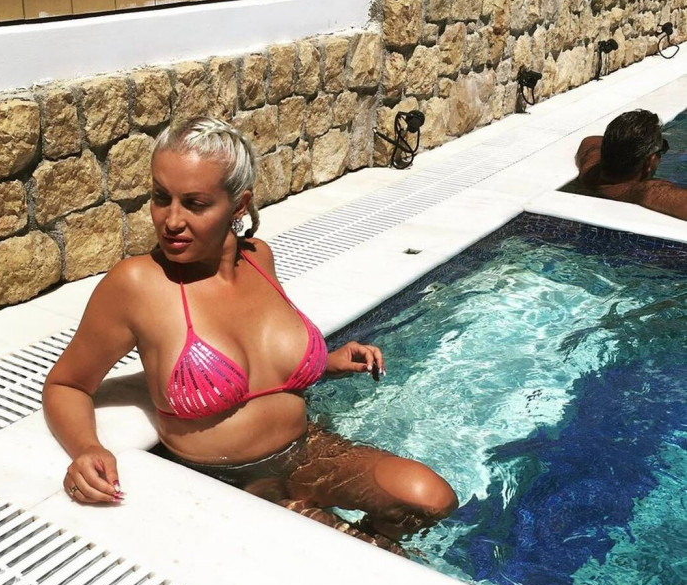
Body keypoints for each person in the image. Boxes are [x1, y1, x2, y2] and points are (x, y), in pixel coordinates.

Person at [43, 117, 458, 556]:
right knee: (371, 559)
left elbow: (263, 366)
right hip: (229, 481)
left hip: (308, 451)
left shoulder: (260, 258)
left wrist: (328, 362)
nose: (171, 220)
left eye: (195, 203)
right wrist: (86, 448)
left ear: (238, 205)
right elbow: (66, 384)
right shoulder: (138, 284)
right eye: (161, 198)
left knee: (431, 499)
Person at [573, 109, 686, 220]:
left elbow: (591, 140)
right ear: (649, 162)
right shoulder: (646, 192)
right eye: (662, 149)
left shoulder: (590, 169)